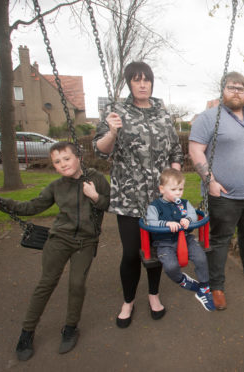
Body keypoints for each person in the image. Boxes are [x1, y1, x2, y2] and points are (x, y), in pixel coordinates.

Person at [0, 142, 110, 361]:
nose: (62, 164)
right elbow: (31, 207)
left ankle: (70, 327)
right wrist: (0, 202)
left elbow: (111, 203)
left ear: (79, 158)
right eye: (57, 162)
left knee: (77, 285)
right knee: (46, 283)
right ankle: (27, 332)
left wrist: (95, 196)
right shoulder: (57, 187)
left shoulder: (96, 179)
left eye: (66, 158)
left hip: (86, 242)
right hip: (59, 239)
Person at [93, 61, 183, 328]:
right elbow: (101, 150)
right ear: (129, 83)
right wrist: (112, 132)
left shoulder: (162, 113)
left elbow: (176, 150)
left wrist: (174, 180)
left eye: (146, 79)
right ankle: (128, 300)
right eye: (136, 79)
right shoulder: (116, 110)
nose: (142, 84)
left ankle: (153, 295)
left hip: (159, 199)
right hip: (128, 197)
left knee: (156, 250)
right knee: (132, 252)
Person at [189, 71, 244, 311]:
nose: (236, 92)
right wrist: (210, 181)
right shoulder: (209, 118)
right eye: (231, 87)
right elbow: (196, 151)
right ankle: (216, 286)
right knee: (220, 241)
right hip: (223, 195)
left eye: (241, 88)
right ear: (222, 90)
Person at [145, 168, 215, 311]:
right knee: (170, 266)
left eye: (180, 189)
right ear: (162, 189)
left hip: (186, 238)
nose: (178, 193)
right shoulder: (154, 206)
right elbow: (151, 222)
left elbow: (193, 215)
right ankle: (181, 280)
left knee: (201, 258)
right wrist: (166, 224)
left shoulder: (185, 203)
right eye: (174, 189)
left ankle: (204, 288)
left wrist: (188, 220)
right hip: (164, 242)